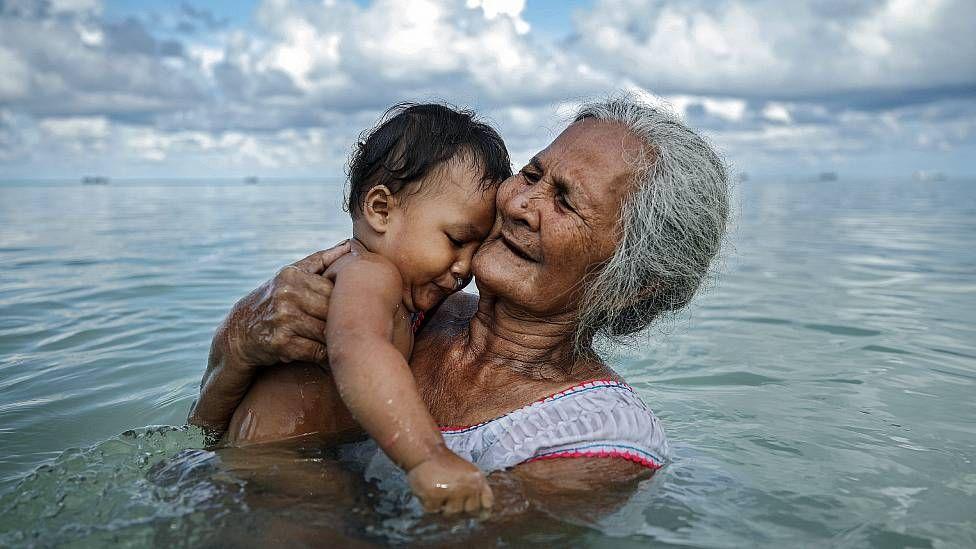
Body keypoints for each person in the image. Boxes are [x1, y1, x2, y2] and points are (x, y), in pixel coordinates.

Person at [189, 95, 730, 515]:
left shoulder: (598, 445)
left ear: (631, 284)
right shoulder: (413, 303)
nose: (519, 204)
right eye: (533, 174)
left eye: (564, 201)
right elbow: (203, 441)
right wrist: (236, 346)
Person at [223, 103, 511, 513]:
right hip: (279, 469)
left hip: (285, 464)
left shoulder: (395, 289)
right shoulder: (369, 273)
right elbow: (359, 346)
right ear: (380, 210)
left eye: (476, 247)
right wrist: (428, 457)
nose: (465, 268)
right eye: (455, 239)